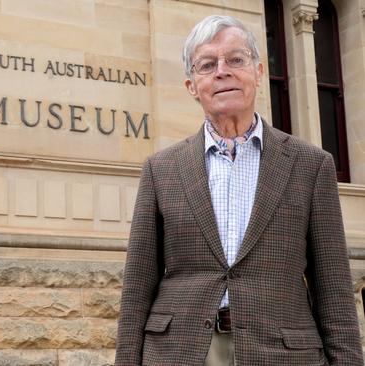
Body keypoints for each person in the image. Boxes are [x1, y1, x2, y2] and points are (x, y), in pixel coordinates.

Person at [115, 15, 363, 365]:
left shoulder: (311, 165)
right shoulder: (161, 169)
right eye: (207, 64)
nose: (222, 71)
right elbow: (138, 286)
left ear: (259, 72)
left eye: (236, 59)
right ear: (191, 85)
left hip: (282, 353)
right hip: (180, 351)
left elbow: (334, 289)